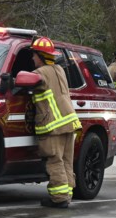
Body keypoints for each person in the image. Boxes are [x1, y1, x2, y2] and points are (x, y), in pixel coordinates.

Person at [30, 36, 81, 208]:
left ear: (41, 56)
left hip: (53, 124)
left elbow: (25, 83)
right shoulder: (59, 69)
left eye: (34, 55)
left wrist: (11, 82)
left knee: (55, 160)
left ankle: (59, 199)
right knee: (66, 160)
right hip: (69, 122)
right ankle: (67, 194)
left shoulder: (40, 74)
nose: (32, 58)